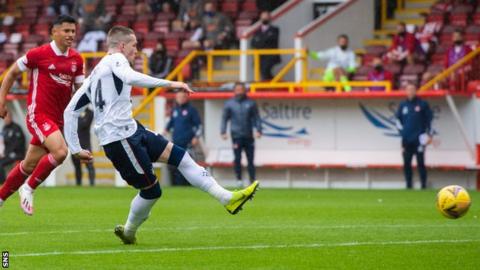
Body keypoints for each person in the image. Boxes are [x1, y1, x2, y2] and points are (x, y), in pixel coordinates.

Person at [64, 26, 259, 244]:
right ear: (121, 46)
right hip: (119, 139)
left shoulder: (95, 74)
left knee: (181, 157)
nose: (136, 51)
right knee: (152, 191)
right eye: (134, 45)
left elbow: (70, 111)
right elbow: (129, 77)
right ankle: (129, 231)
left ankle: (227, 198)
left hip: (131, 129)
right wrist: (171, 83)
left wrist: (75, 149)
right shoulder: (117, 60)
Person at [0, 15, 84, 215]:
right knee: (60, 152)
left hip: (57, 119)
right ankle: (28, 188)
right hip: (38, 114)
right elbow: (12, 73)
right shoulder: (38, 54)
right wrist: (1, 100)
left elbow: (81, 91)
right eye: (66, 31)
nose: (70, 35)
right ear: (54, 32)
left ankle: (1, 197)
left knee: (28, 164)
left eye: (73, 31)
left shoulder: (77, 60)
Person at [221, 83, 262, 188]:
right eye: (237, 89)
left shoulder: (251, 103)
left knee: (250, 159)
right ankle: (239, 179)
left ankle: (252, 179)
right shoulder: (229, 104)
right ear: (234, 91)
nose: (239, 91)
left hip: (248, 135)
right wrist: (223, 131)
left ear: (245, 90)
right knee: (237, 159)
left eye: (241, 89)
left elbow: (256, 118)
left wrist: (258, 130)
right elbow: (225, 118)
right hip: (236, 136)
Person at [396, 83, 433, 189]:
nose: (410, 91)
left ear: (416, 90)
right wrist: (403, 133)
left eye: (412, 89)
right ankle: (409, 185)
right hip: (407, 139)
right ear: (406, 91)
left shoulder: (422, 104)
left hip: (420, 139)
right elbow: (398, 121)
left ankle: (423, 185)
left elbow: (429, 120)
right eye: (408, 89)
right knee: (407, 163)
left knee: (421, 163)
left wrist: (428, 135)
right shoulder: (403, 105)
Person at [165, 91, 202, 186]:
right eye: (179, 97)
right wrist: (164, 131)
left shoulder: (191, 110)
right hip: (176, 142)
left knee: (189, 165)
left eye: (183, 97)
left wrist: (196, 137)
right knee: (175, 165)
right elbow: (170, 124)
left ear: (186, 98)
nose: (180, 99)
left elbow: (199, 126)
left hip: (188, 143)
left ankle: (189, 185)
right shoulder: (175, 110)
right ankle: (177, 185)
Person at [251, 11, 281, 81]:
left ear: (270, 18)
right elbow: (253, 43)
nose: (264, 18)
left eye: (266, 16)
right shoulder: (257, 31)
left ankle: (269, 85)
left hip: (271, 56)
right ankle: (271, 84)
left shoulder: (275, 29)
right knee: (262, 71)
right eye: (263, 17)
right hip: (260, 56)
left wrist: (260, 41)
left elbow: (271, 41)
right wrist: (263, 41)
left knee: (265, 70)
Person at [70, 107, 95, 186]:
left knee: (90, 166)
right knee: (77, 167)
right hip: (75, 146)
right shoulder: (74, 112)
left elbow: (84, 124)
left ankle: (92, 185)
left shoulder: (90, 113)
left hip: (85, 144)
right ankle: (78, 185)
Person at [0, 111, 25, 183]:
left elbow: (18, 144)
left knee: (0, 163)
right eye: (4, 118)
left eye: (7, 117)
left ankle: (3, 183)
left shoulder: (16, 128)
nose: (6, 119)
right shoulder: (4, 128)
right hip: (7, 154)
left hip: (16, 154)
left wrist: (6, 153)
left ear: (11, 118)